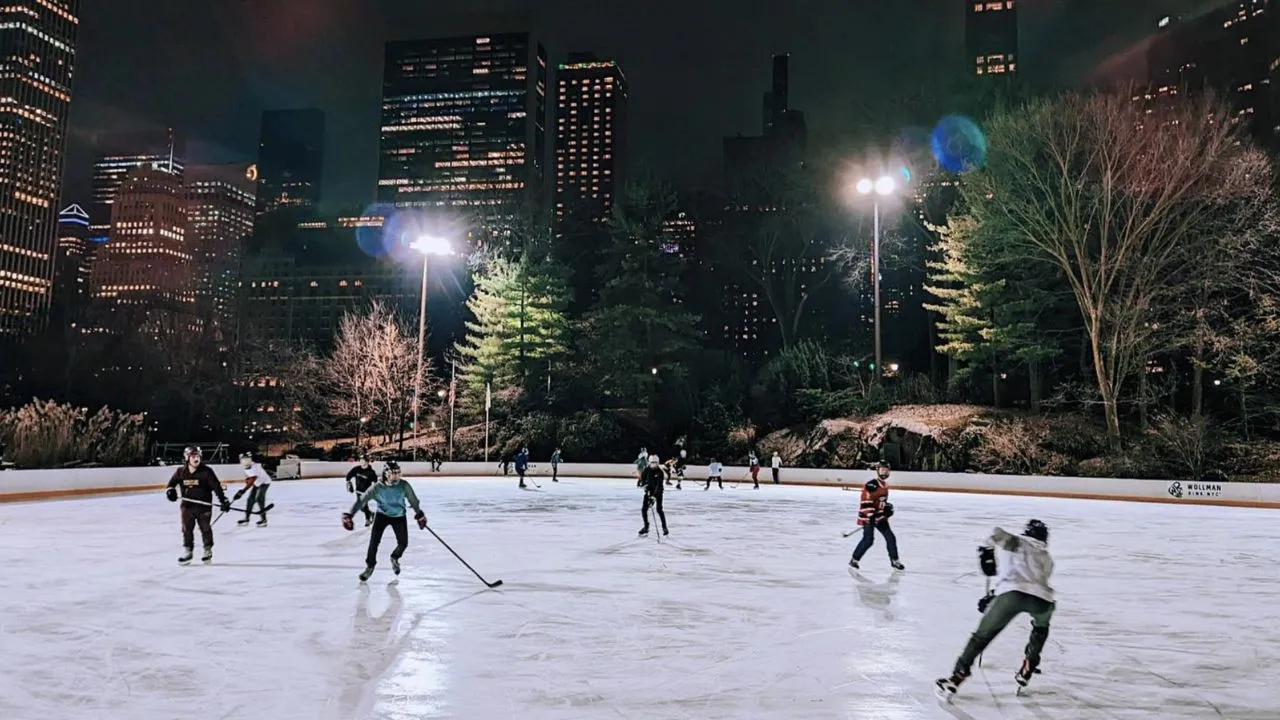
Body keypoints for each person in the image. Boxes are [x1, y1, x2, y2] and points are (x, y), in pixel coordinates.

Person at [937, 520, 1055, 700]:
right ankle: (1029, 665)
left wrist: (986, 552)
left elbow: (996, 533)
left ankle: (957, 676)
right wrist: (994, 595)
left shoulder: (1016, 541)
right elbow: (1033, 581)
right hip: (1044, 601)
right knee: (1040, 628)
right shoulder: (1047, 558)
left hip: (1012, 595)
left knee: (981, 637)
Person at [342, 460, 427, 582]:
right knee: (374, 542)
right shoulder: (377, 487)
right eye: (394, 473)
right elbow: (362, 500)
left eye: (398, 473)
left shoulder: (404, 485)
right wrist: (350, 514)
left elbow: (413, 500)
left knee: (403, 543)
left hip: (399, 516)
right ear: (386, 473)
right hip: (382, 516)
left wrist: (419, 513)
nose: (397, 476)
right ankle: (370, 566)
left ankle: (394, 557)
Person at [165, 446, 231, 565]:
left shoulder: (206, 471)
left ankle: (207, 550)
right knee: (186, 529)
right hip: (187, 506)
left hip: (203, 507)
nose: (196, 459)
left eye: (198, 456)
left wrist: (223, 500)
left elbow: (216, 487)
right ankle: (188, 551)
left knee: (205, 528)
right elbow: (171, 484)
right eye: (193, 456)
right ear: (187, 458)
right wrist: (170, 491)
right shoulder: (181, 472)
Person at [848, 460, 905, 573]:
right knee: (868, 540)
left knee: (890, 538)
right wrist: (870, 514)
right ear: (877, 471)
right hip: (867, 517)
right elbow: (866, 500)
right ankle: (854, 559)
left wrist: (887, 509)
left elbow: (880, 502)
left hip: (879, 517)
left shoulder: (885, 485)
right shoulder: (871, 484)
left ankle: (895, 560)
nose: (884, 472)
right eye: (882, 469)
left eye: (886, 470)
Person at [233, 452, 272, 527]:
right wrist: (247, 480)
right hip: (257, 484)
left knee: (259, 499)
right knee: (250, 500)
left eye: (247, 459)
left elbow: (252, 479)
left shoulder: (254, 467)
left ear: (250, 459)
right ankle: (246, 518)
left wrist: (243, 491)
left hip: (264, 483)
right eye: (243, 460)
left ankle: (264, 520)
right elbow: (250, 479)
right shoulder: (247, 468)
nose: (245, 461)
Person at [637, 454, 669, 536]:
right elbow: (642, 480)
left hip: (658, 493)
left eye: (655, 462)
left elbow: (659, 486)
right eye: (652, 462)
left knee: (659, 509)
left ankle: (664, 527)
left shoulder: (660, 472)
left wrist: (654, 497)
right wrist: (644, 485)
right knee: (644, 509)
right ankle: (646, 527)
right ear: (649, 462)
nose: (653, 464)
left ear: (658, 463)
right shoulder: (646, 470)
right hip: (648, 492)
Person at [345, 455, 379, 527]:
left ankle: (368, 519)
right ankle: (370, 514)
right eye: (360, 460)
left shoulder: (371, 472)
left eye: (363, 460)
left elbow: (375, 481)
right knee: (361, 507)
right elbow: (348, 476)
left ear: (367, 462)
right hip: (358, 491)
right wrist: (349, 483)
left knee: (364, 505)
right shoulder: (356, 469)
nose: (361, 462)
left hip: (366, 492)